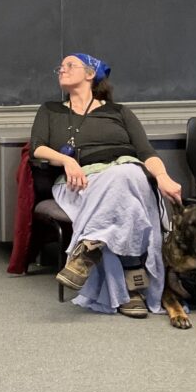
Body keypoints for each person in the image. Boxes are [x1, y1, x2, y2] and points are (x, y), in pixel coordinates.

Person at [30, 53, 182, 318]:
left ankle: (91, 246)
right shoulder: (50, 110)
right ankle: (131, 289)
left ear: (90, 74)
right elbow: (38, 148)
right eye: (60, 67)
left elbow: (146, 153)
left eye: (69, 65)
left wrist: (163, 177)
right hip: (81, 181)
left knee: (124, 175)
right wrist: (67, 160)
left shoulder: (119, 112)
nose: (61, 70)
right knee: (127, 202)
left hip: (130, 174)